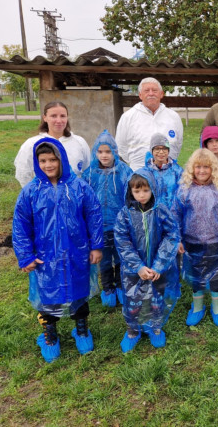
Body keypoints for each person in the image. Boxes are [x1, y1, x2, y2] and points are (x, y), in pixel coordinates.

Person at [12, 138, 103, 363]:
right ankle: (50, 334)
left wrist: (96, 246)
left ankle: (81, 328)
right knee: (47, 297)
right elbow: (21, 224)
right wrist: (25, 256)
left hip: (76, 252)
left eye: (53, 159)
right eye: (42, 160)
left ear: (61, 159)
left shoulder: (78, 186)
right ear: (36, 162)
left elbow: (94, 214)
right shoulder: (31, 191)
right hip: (45, 257)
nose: (48, 165)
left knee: (79, 293)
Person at [114, 171, 181, 352]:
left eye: (145, 190)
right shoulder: (125, 214)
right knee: (133, 300)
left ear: (152, 189)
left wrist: (160, 264)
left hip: (157, 269)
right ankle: (132, 331)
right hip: (133, 270)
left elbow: (172, 235)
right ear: (130, 192)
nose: (141, 195)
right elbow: (122, 242)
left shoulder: (160, 210)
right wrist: (137, 266)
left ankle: (155, 327)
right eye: (137, 191)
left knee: (156, 299)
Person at [174, 148, 218, 327]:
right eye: (198, 167)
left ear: (213, 168)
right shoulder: (184, 190)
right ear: (192, 169)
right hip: (192, 241)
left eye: (206, 167)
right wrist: (177, 238)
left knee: (216, 275)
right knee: (196, 275)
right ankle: (197, 307)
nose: (202, 171)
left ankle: (217, 307)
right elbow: (175, 214)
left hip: (215, 241)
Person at [82, 130, 133, 307]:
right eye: (100, 151)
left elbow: (130, 197)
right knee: (103, 257)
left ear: (115, 152)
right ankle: (108, 287)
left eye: (108, 151)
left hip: (119, 225)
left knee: (120, 255)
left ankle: (120, 285)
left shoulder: (124, 172)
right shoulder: (89, 174)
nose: (104, 155)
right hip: (97, 227)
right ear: (95, 152)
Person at [14, 101, 91, 187]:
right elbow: (22, 172)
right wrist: (35, 194)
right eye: (53, 116)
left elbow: (88, 170)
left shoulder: (80, 142)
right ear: (45, 118)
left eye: (62, 116)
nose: (59, 120)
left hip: (73, 197)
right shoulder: (31, 144)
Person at [116, 77, 184, 170]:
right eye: (146, 90)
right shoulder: (128, 117)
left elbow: (178, 144)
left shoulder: (173, 117)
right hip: (139, 175)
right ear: (140, 95)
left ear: (161, 94)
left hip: (168, 173)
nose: (151, 93)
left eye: (155, 90)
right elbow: (121, 146)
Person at [139, 133, 183, 208]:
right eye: (157, 148)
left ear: (168, 151)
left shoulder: (178, 172)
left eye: (164, 148)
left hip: (172, 216)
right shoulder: (144, 173)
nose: (161, 152)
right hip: (152, 215)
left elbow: (183, 195)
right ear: (152, 151)